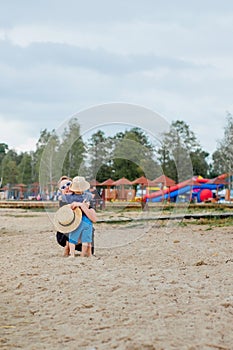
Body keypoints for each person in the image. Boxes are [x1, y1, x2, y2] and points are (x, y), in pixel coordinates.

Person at [61, 176, 97, 258]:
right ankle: (84, 254)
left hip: (75, 221)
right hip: (86, 220)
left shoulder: (69, 197)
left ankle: (72, 254)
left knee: (72, 239)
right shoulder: (87, 196)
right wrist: (84, 205)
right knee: (86, 240)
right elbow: (92, 197)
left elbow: (62, 198)